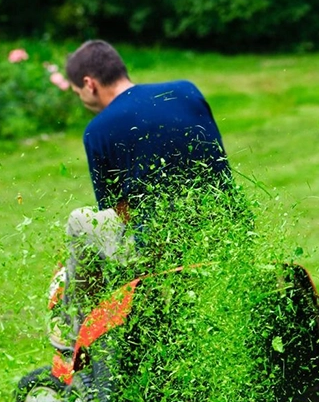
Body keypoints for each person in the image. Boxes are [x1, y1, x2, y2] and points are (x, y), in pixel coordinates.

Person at [49, 40, 232, 348]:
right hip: (225, 230)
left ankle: (77, 331)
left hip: (163, 251)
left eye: (77, 92)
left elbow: (120, 214)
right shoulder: (187, 91)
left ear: (88, 84)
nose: (81, 98)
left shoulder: (98, 129)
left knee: (80, 221)